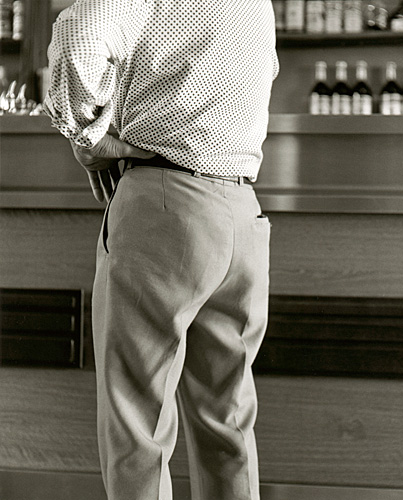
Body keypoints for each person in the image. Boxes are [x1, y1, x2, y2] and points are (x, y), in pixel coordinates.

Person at [43, 1, 279, 499]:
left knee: (137, 425)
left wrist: (89, 135)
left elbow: (82, 34)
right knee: (227, 421)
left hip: (167, 208)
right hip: (242, 212)